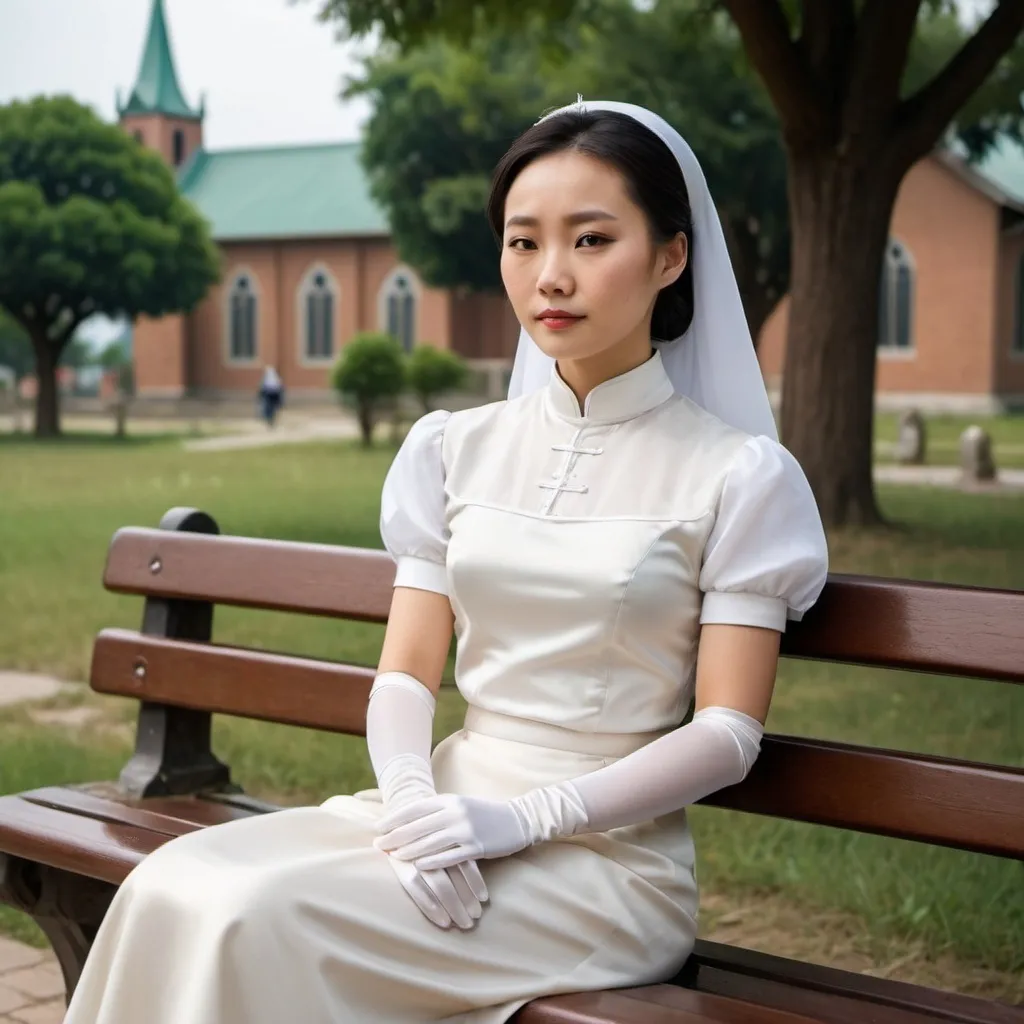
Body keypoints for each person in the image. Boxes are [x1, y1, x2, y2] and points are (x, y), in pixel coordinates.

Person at [63, 100, 828, 1024]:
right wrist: (411, 803)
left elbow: (728, 736)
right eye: (523, 242)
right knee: (173, 883)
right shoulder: (451, 449)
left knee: (249, 919)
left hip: (601, 867)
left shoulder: (739, 475)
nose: (552, 276)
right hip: (435, 815)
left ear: (671, 256)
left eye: (591, 241)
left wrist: (524, 821)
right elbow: (405, 673)